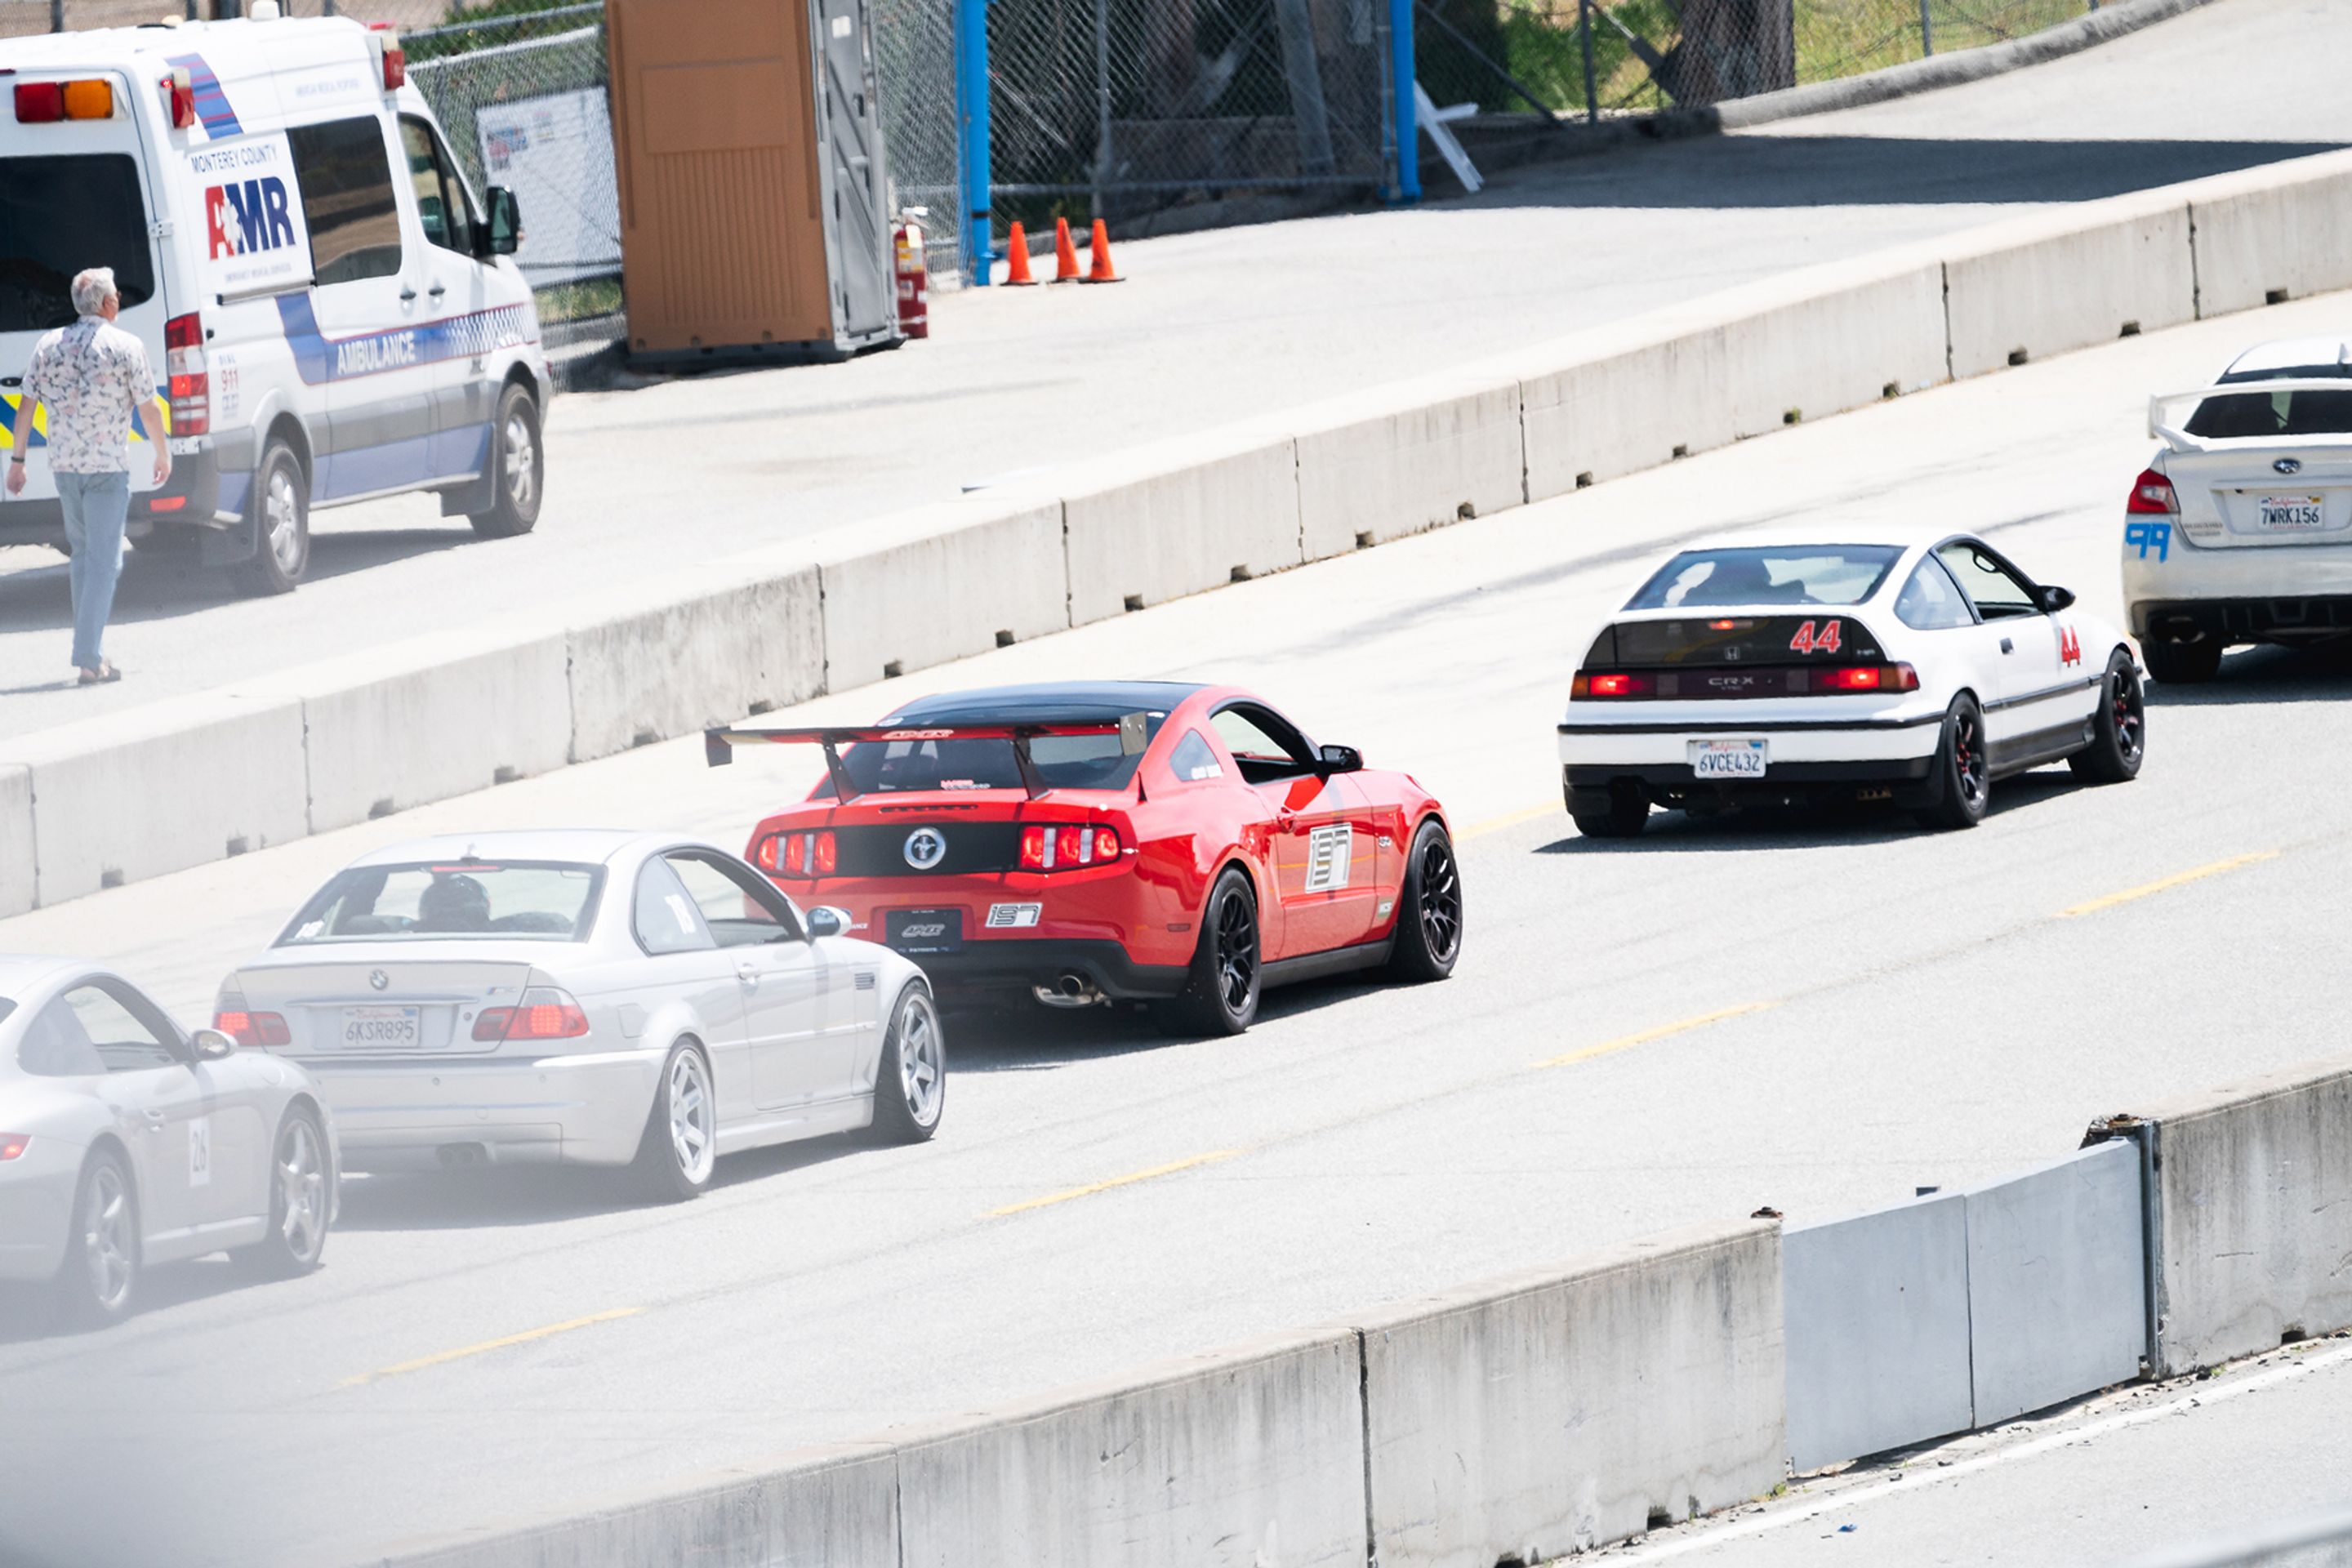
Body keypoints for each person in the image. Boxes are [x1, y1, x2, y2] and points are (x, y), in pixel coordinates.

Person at [3, 266, 171, 685]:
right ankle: (88, 656)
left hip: (65, 470)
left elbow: (25, 406)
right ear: (107, 303)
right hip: (107, 470)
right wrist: (162, 452)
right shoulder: (126, 347)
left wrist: (18, 461)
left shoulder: (48, 345)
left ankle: (89, 650)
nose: (118, 300)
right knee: (105, 561)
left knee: (82, 554)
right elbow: (149, 407)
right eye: (116, 294)